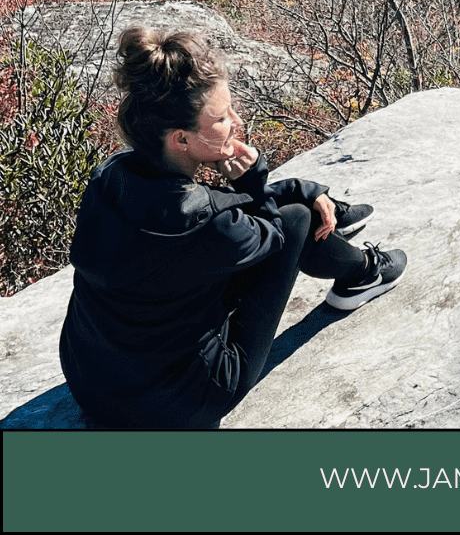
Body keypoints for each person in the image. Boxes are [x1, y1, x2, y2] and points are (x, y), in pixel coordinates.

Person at [59, 25, 406, 430]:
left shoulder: (108, 177)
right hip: (182, 404)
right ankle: (362, 274)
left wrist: (297, 186)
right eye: (222, 118)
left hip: (90, 381)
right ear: (181, 139)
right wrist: (255, 181)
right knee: (297, 219)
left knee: (286, 208)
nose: (236, 122)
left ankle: (335, 220)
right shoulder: (210, 222)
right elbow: (272, 230)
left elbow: (216, 218)